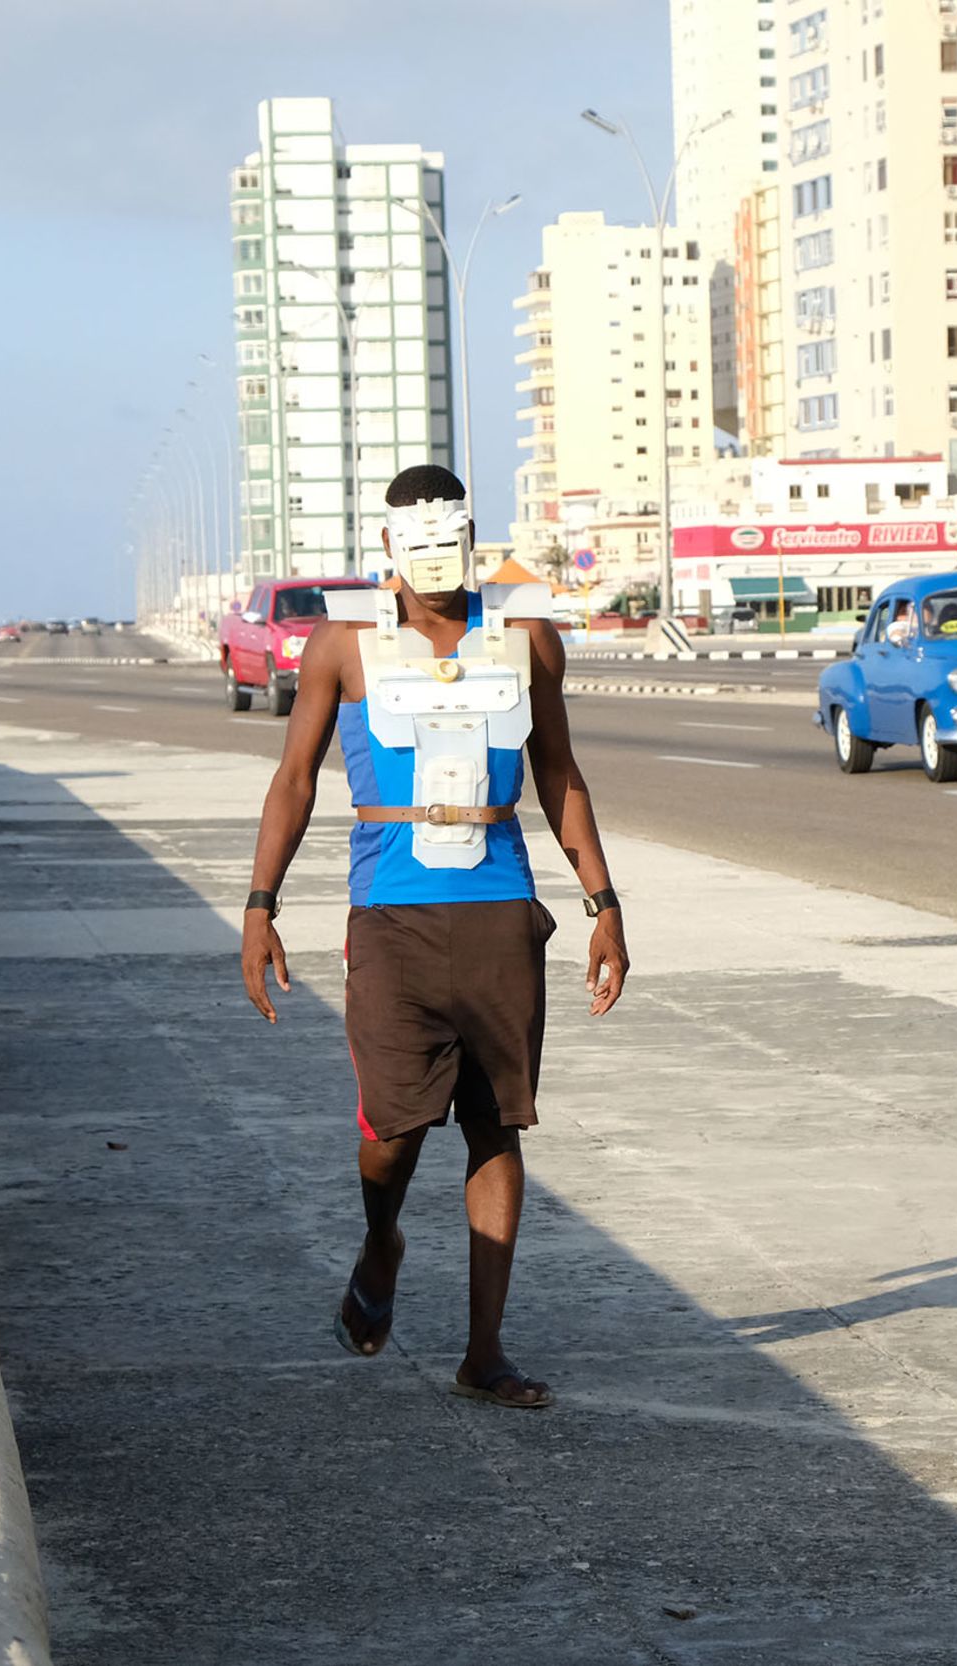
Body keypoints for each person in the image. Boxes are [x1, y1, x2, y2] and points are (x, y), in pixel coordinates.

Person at [239, 463, 630, 1412]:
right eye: (416, 544)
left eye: (449, 541)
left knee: (498, 1128)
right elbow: (295, 780)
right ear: (387, 548)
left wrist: (602, 899)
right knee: (392, 1129)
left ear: (471, 538)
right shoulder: (342, 645)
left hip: (498, 907)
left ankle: (483, 1352)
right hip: (390, 917)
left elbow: (558, 772)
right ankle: (382, 1240)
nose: (434, 564)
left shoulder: (527, 638)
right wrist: (260, 905)